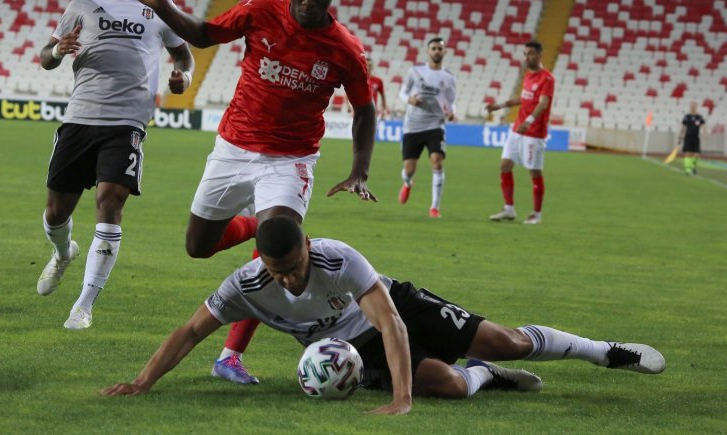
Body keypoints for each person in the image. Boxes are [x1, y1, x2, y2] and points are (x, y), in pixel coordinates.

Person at [113, 0, 377, 383]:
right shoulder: (258, 12)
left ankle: (233, 350)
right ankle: (259, 223)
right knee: (198, 246)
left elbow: (365, 110)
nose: (309, 1)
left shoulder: (345, 49)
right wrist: (162, 3)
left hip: (289, 160)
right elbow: (202, 34)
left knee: (280, 248)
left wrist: (359, 170)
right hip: (233, 149)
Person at [100, 216, 666, 415]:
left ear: (306, 247)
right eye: (282, 272)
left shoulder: (337, 257)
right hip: (354, 351)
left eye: (297, 265)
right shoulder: (244, 286)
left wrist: (401, 398)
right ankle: (485, 378)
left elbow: (391, 321)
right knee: (449, 382)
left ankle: (604, 351)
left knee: (508, 341)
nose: (293, 278)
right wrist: (143, 381)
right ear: (263, 265)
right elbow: (189, 332)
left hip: (396, 307)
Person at [36, 0, 194, 330]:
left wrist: (183, 78)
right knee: (56, 213)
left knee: (111, 201)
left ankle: (84, 304)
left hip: (126, 123)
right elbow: (45, 58)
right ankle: (62, 252)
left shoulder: (160, 8)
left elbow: (184, 56)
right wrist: (58, 49)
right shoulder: (84, 3)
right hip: (79, 119)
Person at [486, 41, 554, 225]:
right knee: (505, 165)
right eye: (525, 53)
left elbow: (543, 103)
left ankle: (536, 214)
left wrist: (529, 121)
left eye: (530, 53)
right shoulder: (528, 76)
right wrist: (499, 105)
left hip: (534, 133)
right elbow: (523, 99)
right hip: (517, 130)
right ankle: (508, 209)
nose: (527, 57)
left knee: (534, 171)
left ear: (540, 54)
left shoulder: (547, 78)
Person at [397, 37, 457, 218]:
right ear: (428, 51)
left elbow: (452, 102)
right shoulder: (415, 71)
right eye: (434, 48)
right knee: (409, 169)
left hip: (435, 124)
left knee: (437, 161)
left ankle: (434, 207)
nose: (437, 51)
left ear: (445, 52)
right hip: (413, 126)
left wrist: (452, 113)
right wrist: (410, 99)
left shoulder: (449, 78)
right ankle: (407, 183)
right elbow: (402, 92)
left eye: (440, 49)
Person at [678, 101, 706, 176]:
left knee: (697, 154)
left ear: (696, 107)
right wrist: (680, 136)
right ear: (690, 107)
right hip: (688, 137)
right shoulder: (687, 117)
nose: (692, 107)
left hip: (696, 137)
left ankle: (693, 167)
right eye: (691, 106)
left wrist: (705, 133)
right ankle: (688, 169)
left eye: (694, 106)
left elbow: (703, 125)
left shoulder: (699, 117)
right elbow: (683, 127)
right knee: (688, 153)